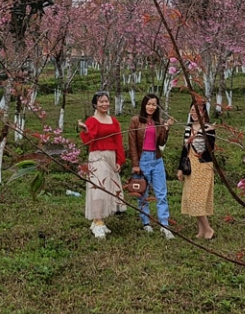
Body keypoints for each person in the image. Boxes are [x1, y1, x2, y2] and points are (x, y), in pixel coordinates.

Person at [78, 91, 125, 239]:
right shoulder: (92, 121)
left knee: (109, 188)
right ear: (95, 104)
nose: (105, 104)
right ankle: (98, 221)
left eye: (106, 101)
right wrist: (85, 130)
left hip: (111, 156)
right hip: (97, 156)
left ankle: (98, 220)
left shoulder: (114, 121)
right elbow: (88, 140)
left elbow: (118, 141)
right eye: (101, 102)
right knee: (98, 188)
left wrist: (119, 160)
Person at [128, 93, 175, 238]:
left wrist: (166, 129)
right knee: (143, 193)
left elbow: (161, 143)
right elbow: (132, 144)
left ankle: (164, 224)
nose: (151, 107)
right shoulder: (135, 121)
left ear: (157, 106)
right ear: (144, 105)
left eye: (154, 104)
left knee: (161, 193)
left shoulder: (159, 121)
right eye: (148, 104)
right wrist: (135, 164)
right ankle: (146, 222)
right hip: (142, 160)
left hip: (156, 160)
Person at [177, 99, 216, 240]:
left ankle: (208, 229)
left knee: (197, 199)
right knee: (191, 197)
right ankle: (202, 230)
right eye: (192, 110)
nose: (194, 113)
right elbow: (184, 149)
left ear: (203, 112)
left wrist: (204, 135)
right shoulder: (188, 128)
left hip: (203, 165)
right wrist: (180, 168)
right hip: (190, 165)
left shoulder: (209, 128)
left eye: (197, 110)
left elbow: (211, 149)